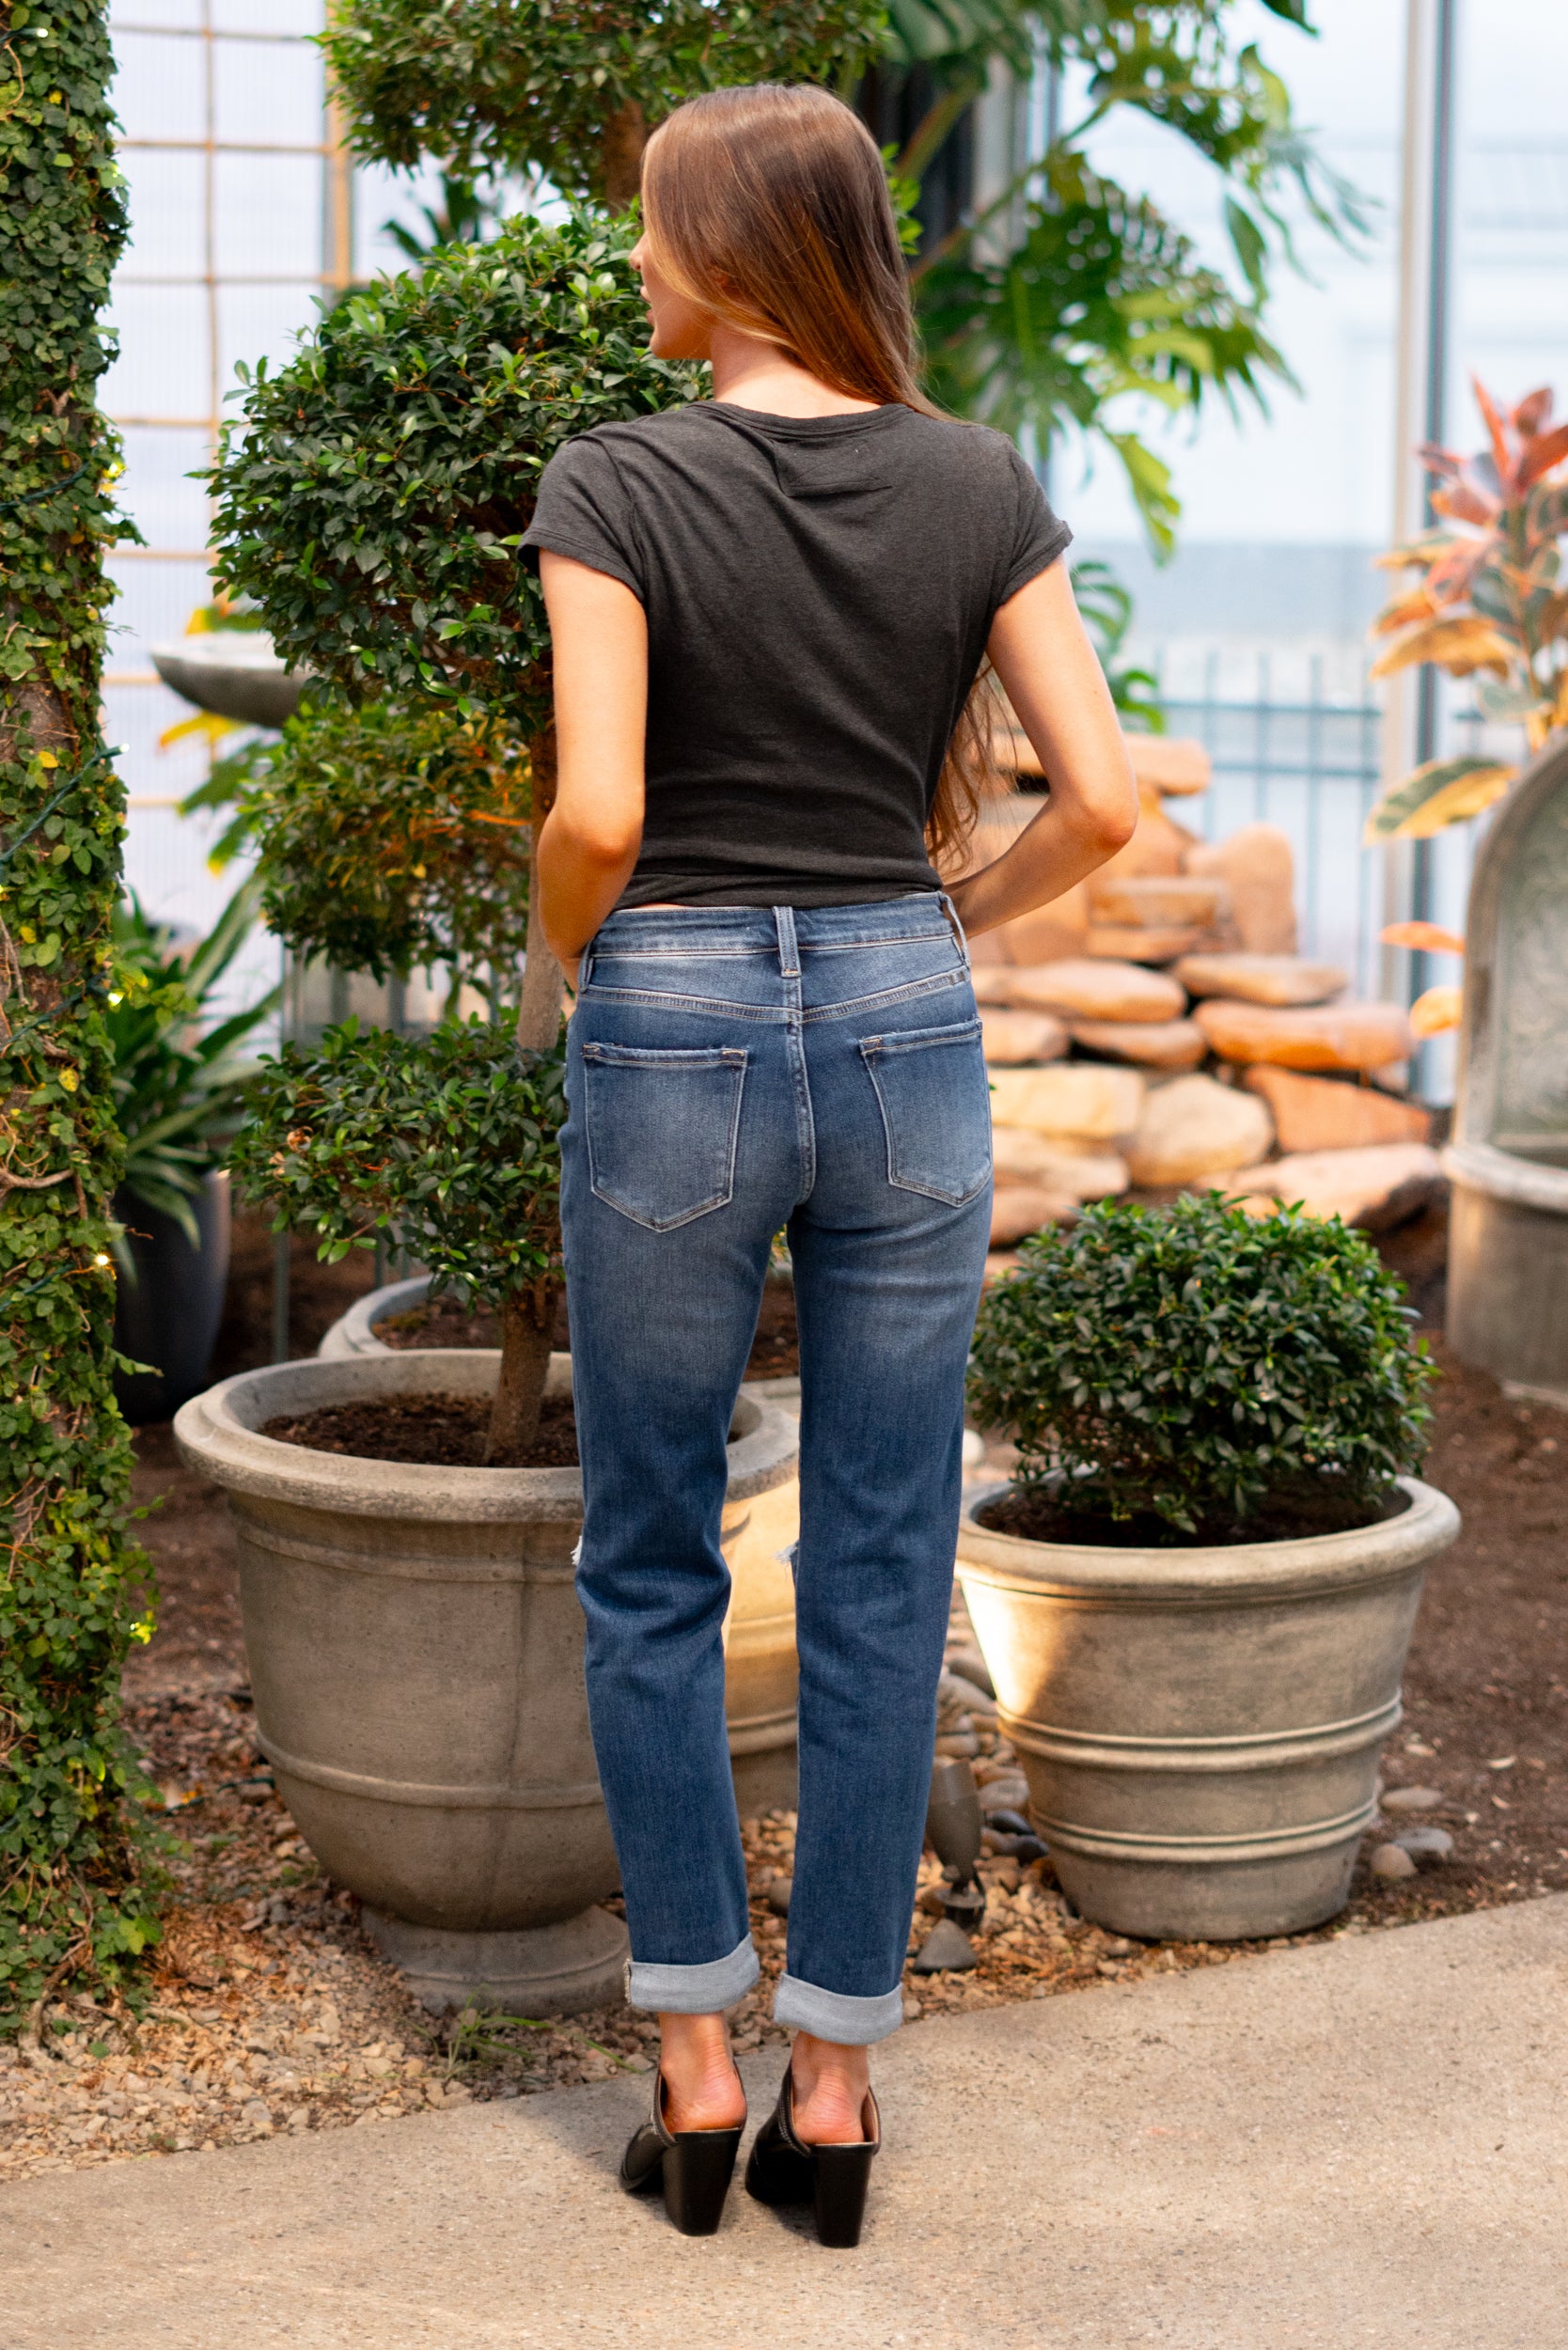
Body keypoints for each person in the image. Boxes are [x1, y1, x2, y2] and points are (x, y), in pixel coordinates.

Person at [524, 80, 1136, 2247]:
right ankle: (839, 2088)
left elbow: (602, 811)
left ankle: (695, 2061)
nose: (634, 260)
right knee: (885, 1555)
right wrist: (946, 914)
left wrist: (556, 957)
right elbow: (1103, 798)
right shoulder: (976, 481)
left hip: (674, 1006)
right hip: (903, 1014)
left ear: (726, 256)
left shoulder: (614, 478)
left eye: (652, 227)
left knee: (651, 1549)